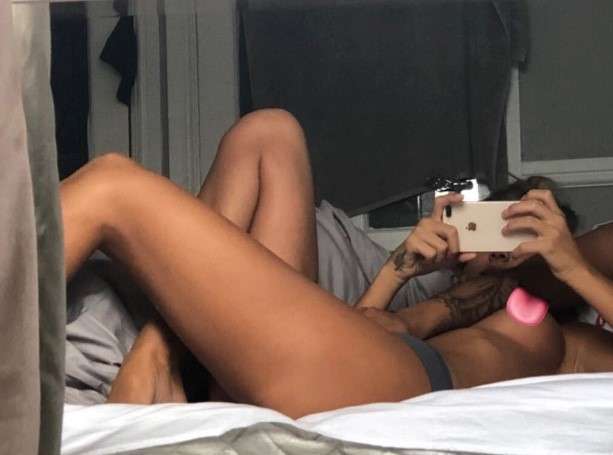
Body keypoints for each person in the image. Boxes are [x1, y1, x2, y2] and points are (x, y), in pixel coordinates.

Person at [62, 109, 578, 417]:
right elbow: (363, 328)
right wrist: (398, 270)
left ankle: (157, 355)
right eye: (499, 221)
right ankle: (159, 350)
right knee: (269, 131)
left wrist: (556, 260)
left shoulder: (527, 314)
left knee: (113, 184)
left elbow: (393, 327)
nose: (501, 243)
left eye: (524, 233)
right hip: (351, 375)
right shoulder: (438, 282)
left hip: (404, 379)